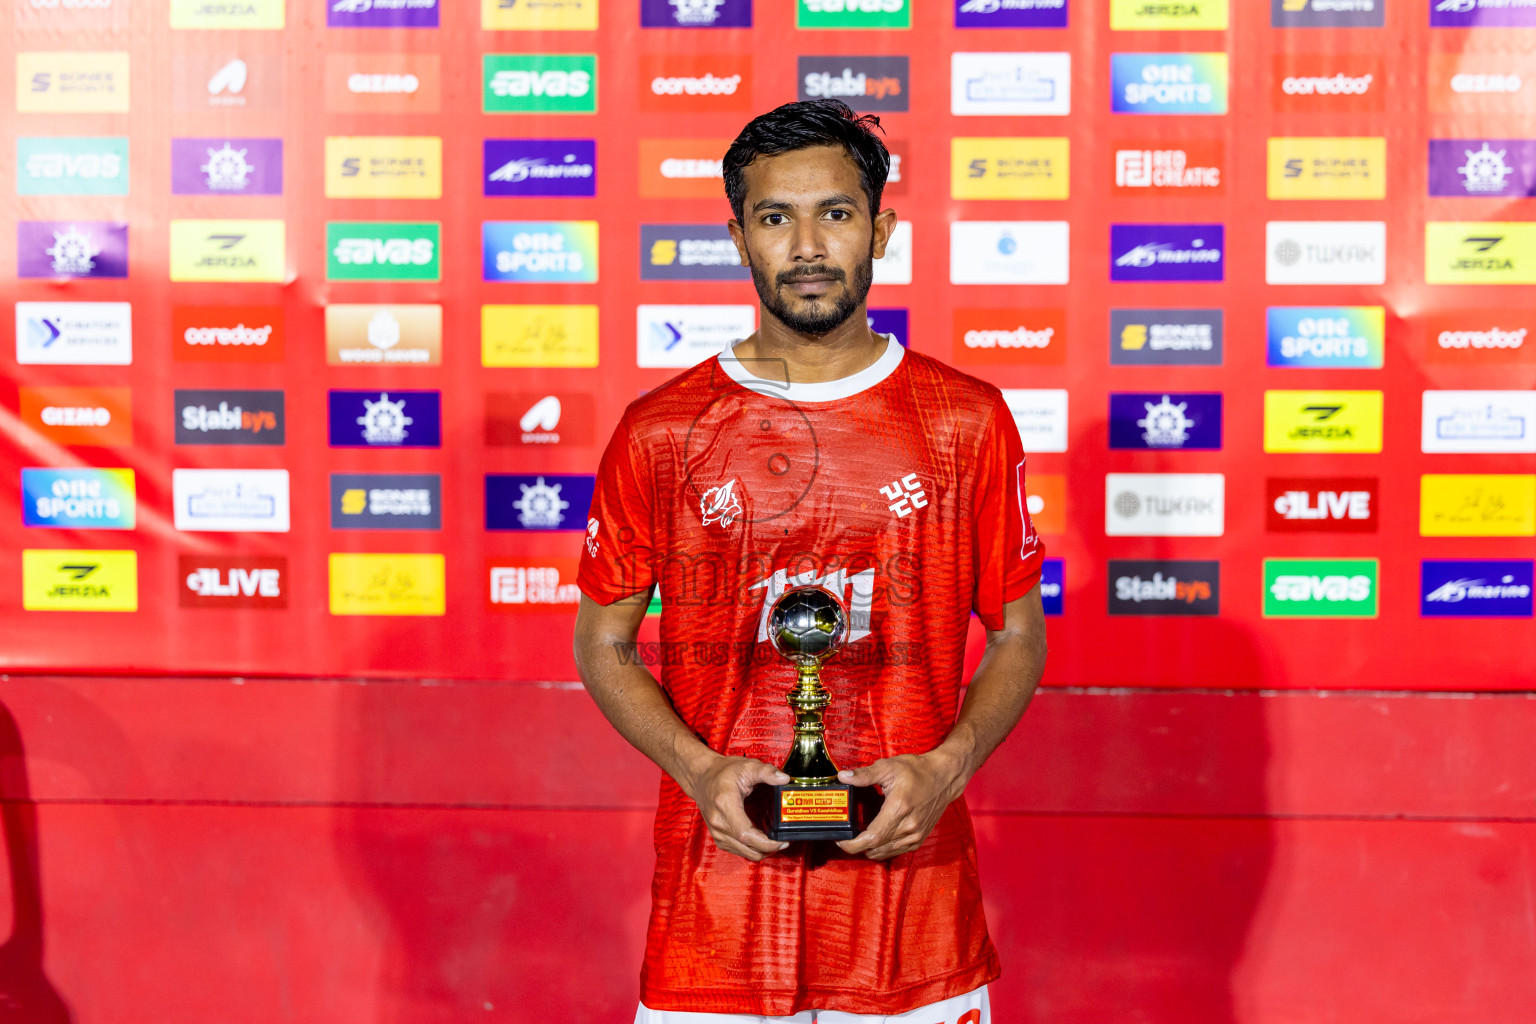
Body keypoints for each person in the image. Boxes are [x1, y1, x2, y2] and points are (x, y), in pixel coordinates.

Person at [573, 99, 1048, 1024]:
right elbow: (604, 642)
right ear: (737, 234)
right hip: (717, 920)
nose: (806, 246)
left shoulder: (966, 420)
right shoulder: (663, 430)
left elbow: (1019, 634)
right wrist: (703, 771)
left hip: (914, 925)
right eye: (774, 217)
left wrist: (947, 767)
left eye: (834, 213)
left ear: (882, 228)